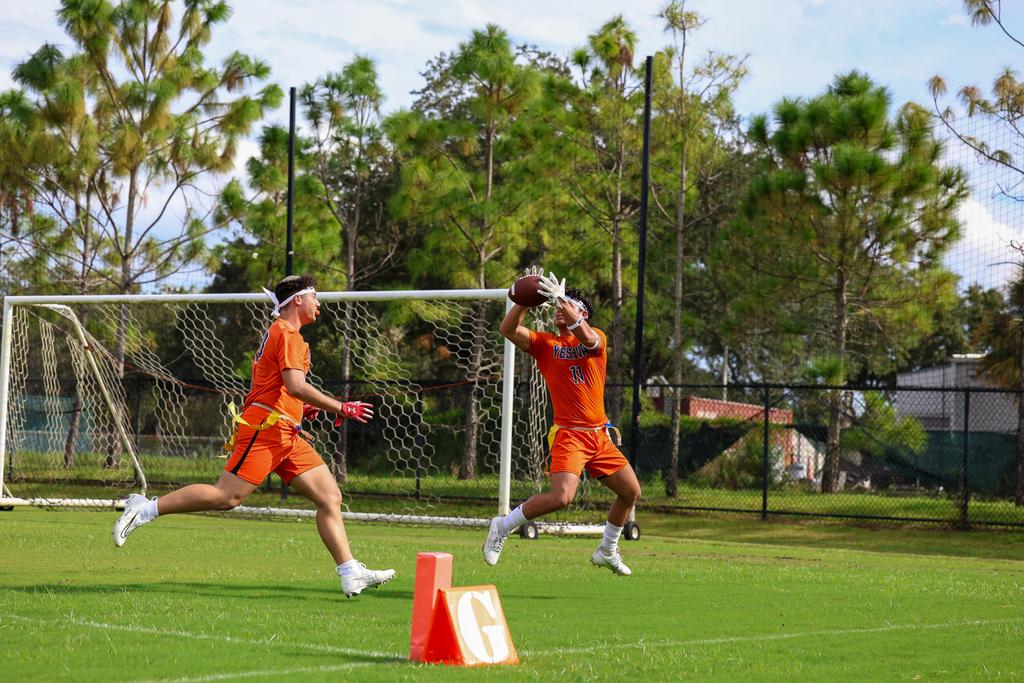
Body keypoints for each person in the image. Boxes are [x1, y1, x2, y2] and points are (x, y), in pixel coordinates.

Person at [113, 275, 395, 598]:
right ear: (298, 300)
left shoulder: (284, 334)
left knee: (330, 497)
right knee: (227, 497)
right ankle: (144, 509)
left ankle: (350, 572)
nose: (318, 303)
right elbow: (295, 386)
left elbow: (282, 388)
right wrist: (341, 407)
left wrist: (304, 409)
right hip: (265, 429)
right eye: (314, 297)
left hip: (287, 432)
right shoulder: (287, 334)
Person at [484, 269, 642, 575]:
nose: (559, 307)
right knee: (562, 497)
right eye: (557, 304)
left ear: (583, 314)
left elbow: (588, 337)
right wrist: (524, 300)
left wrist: (562, 300)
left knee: (630, 492)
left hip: (599, 436)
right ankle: (502, 526)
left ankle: (607, 550)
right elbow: (507, 329)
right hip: (570, 434)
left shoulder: (596, 338)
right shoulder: (546, 345)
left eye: (567, 304)